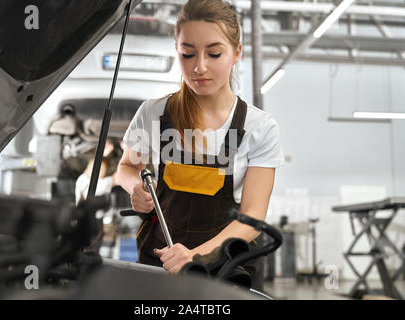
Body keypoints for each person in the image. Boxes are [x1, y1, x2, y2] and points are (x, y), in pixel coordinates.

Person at [117, 0, 285, 290]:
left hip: (227, 270)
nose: (199, 67)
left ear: (237, 54)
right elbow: (126, 167)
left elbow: (253, 216)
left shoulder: (259, 128)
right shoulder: (153, 113)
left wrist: (194, 256)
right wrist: (134, 187)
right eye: (188, 54)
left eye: (214, 53)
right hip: (162, 262)